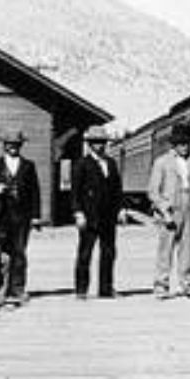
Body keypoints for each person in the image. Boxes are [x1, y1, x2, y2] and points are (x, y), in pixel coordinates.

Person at [0, 127, 41, 309]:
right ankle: (0, 290)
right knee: (0, 254)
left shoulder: (28, 166)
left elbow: (35, 192)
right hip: (1, 216)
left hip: (22, 217)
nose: (13, 147)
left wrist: (36, 217)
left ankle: (18, 289)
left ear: (21, 145)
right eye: (9, 144)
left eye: (16, 144)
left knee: (20, 253)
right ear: (4, 146)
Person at [147, 121, 190, 299]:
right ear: (174, 145)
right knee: (166, 249)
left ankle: (188, 284)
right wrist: (164, 211)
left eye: (187, 143)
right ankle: (161, 285)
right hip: (170, 209)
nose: (184, 147)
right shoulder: (161, 162)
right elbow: (153, 191)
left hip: (189, 207)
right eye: (181, 144)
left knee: (188, 249)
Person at [71, 124, 121, 299]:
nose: (99, 145)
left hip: (108, 216)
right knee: (85, 253)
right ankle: (81, 289)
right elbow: (75, 191)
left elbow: (117, 190)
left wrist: (120, 209)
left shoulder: (111, 163)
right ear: (90, 144)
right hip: (89, 216)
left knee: (109, 252)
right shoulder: (82, 164)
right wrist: (78, 212)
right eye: (95, 142)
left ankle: (106, 288)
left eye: (102, 142)